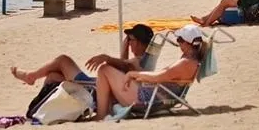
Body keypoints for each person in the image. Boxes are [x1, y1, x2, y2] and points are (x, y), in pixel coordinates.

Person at [94, 25, 205, 120]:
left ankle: (101, 115)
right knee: (109, 72)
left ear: (188, 43)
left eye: (180, 40)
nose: (179, 43)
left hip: (148, 99)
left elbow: (157, 77)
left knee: (104, 69)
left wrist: (133, 74)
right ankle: (107, 111)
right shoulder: (192, 60)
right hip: (156, 96)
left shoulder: (185, 63)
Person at [10, 24, 154, 86]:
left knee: (63, 60)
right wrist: (125, 46)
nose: (129, 43)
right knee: (53, 77)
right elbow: (124, 68)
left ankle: (31, 76)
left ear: (140, 43)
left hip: (95, 87)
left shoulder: (138, 62)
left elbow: (125, 65)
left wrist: (106, 58)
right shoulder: (145, 59)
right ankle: (39, 108)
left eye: (131, 40)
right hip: (100, 85)